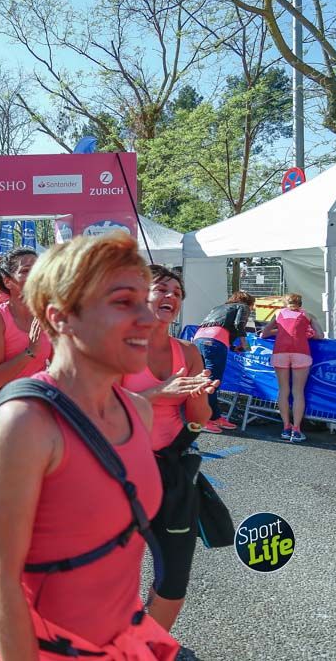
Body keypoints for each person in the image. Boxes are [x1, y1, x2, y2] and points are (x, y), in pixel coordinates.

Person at [0, 233, 179, 660]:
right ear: (60, 317)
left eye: (143, 300)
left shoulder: (137, 410)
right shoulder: (26, 424)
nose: (147, 317)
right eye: (122, 302)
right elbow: (2, 580)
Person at [121, 265, 217, 632]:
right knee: (113, 569)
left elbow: (198, 420)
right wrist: (157, 392)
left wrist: (199, 397)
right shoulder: (116, 344)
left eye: (176, 293)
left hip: (172, 471)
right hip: (119, 472)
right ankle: (112, 641)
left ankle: (149, 645)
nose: (171, 296)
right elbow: (96, 407)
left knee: (175, 576)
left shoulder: (189, 352)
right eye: (161, 289)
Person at [0, 248, 53, 394]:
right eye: (26, 270)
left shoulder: (47, 316)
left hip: (40, 400)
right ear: (8, 282)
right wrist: (30, 352)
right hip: (5, 402)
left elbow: (60, 368)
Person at [260, 293, 324, 442]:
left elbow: (264, 334)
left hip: (280, 352)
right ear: (300, 303)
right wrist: (305, 332)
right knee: (298, 392)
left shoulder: (278, 313)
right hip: (301, 353)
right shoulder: (308, 315)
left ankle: (285, 427)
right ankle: (296, 430)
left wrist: (280, 331)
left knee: (283, 390)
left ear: (285, 303)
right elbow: (320, 335)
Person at [192, 291, 255, 433]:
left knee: (204, 380)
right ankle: (205, 419)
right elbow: (239, 325)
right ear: (249, 303)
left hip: (199, 339)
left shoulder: (219, 308)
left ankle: (214, 416)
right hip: (215, 341)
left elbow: (218, 326)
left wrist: (231, 346)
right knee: (212, 382)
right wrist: (244, 344)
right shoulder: (243, 307)